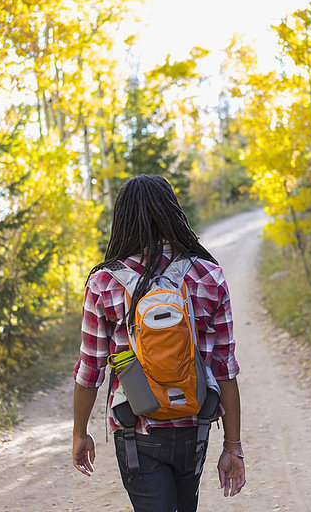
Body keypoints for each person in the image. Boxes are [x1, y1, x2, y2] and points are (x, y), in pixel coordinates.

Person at [72, 174, 246, 511]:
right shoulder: (208, 275)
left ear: (122, 220)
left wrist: (80, 433)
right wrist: (233, 445)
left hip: (137, 430)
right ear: (172, 212)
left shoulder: (104, 283)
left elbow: (89, 370)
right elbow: (225, 368)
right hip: (193, 424)